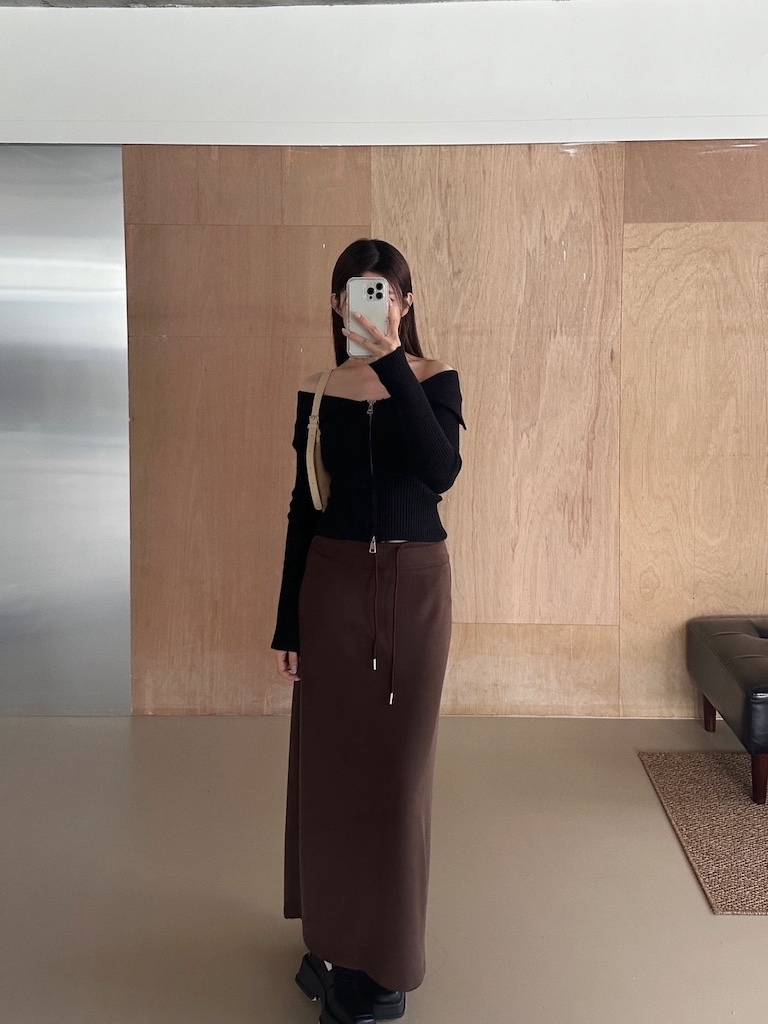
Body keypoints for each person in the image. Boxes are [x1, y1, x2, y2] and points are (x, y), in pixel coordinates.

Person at [270, 238, 466, 1024]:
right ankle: (339, 946)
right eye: (357, 291)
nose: (372, 304)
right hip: (333, 589)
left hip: (416, 591)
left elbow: (440, 471)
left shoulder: (435, 379)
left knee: (399, 780)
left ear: (406, 304)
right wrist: (287, 622)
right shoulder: (317, 391)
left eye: (386, 292)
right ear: (336, 303)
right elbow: (304, 506)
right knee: (334, 777)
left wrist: (391, 365)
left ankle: (389, 967)